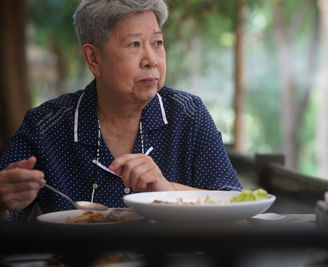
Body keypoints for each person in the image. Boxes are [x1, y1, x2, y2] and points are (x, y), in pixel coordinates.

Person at [0, 0, 241, 221]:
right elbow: (8, 207)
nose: (151, 60)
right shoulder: (45, 126)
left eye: (157, 43)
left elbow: (237, 208)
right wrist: (3, 199)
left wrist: (168, 190)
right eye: (134, 44)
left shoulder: (188, 115)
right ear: (94, 58)